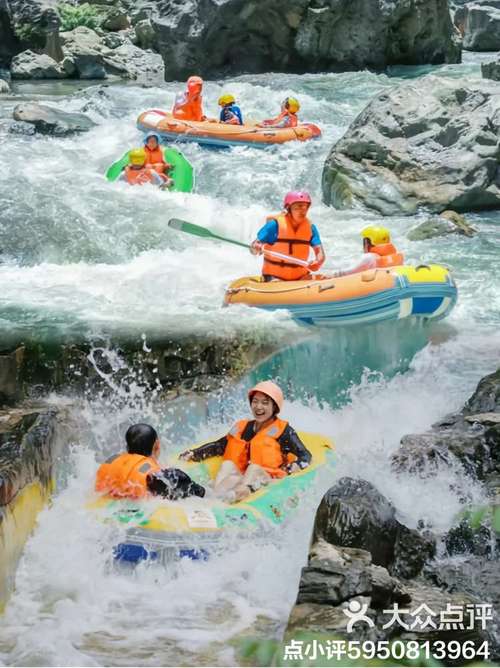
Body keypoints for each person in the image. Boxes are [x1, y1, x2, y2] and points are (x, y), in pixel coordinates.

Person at [179, 381, 311, 502]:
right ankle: (213, 499)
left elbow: (305, 455)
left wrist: (294, 467)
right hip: (243, 477)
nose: (258, 407)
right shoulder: (243, 427)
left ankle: (233, 498)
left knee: (254, 468)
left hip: (268, 479)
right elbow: (219, 446)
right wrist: (194, 453)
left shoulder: (284, 431)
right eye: (255, 401)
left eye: (265, 403)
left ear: (274, 407)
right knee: (228, 465)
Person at [95, 423, 205, 501]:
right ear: (156, 445)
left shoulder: (111, 461)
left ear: (127, 447)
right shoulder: (156, 475)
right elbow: (195, 493)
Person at [250, 191, 326, 281]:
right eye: (299, 207)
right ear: (288, 208)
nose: (303, 210)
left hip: (300, 277)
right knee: (277, 283)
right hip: (274, 278)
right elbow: (253, 249)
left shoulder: (310, 228)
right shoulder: (275, 226)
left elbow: (319, 252)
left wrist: (318, 262)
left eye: (306, 207)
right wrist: (256, 247)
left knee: (324, 278)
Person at [333, 226, 404, 277]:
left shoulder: (369, 258)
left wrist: (329, 275)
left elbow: (348, 272)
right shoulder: (397, 256)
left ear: (367, 243)